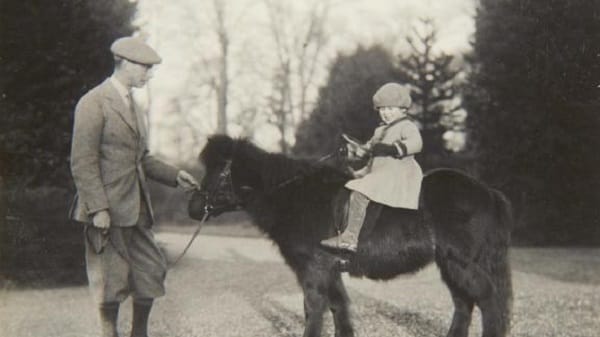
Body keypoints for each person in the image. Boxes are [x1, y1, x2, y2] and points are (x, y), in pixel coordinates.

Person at [69, 36, 199, 337]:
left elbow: (142, 158)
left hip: (137, 210)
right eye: (145, 68)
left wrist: (175, 175)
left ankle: (138, 334)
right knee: (110, 283)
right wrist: (98, 208)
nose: (149, 75)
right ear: (125, 63)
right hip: (106, 211)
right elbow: (82, 161)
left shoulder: (135, 108)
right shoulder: (93, 103)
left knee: (151, 271)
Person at [321, 82, 423, 253]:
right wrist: (351, 151)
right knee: (346, 184)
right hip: (378, 172)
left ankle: (349, 238)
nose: (386, 113)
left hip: (399, 173)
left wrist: (393, 148)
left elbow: (416, 143)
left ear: (403, 109)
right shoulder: (379, 131)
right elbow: (367, 150)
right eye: (382, 109)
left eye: (391, 109)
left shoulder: (407, 126)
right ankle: (343, 228)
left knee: (359, 193)